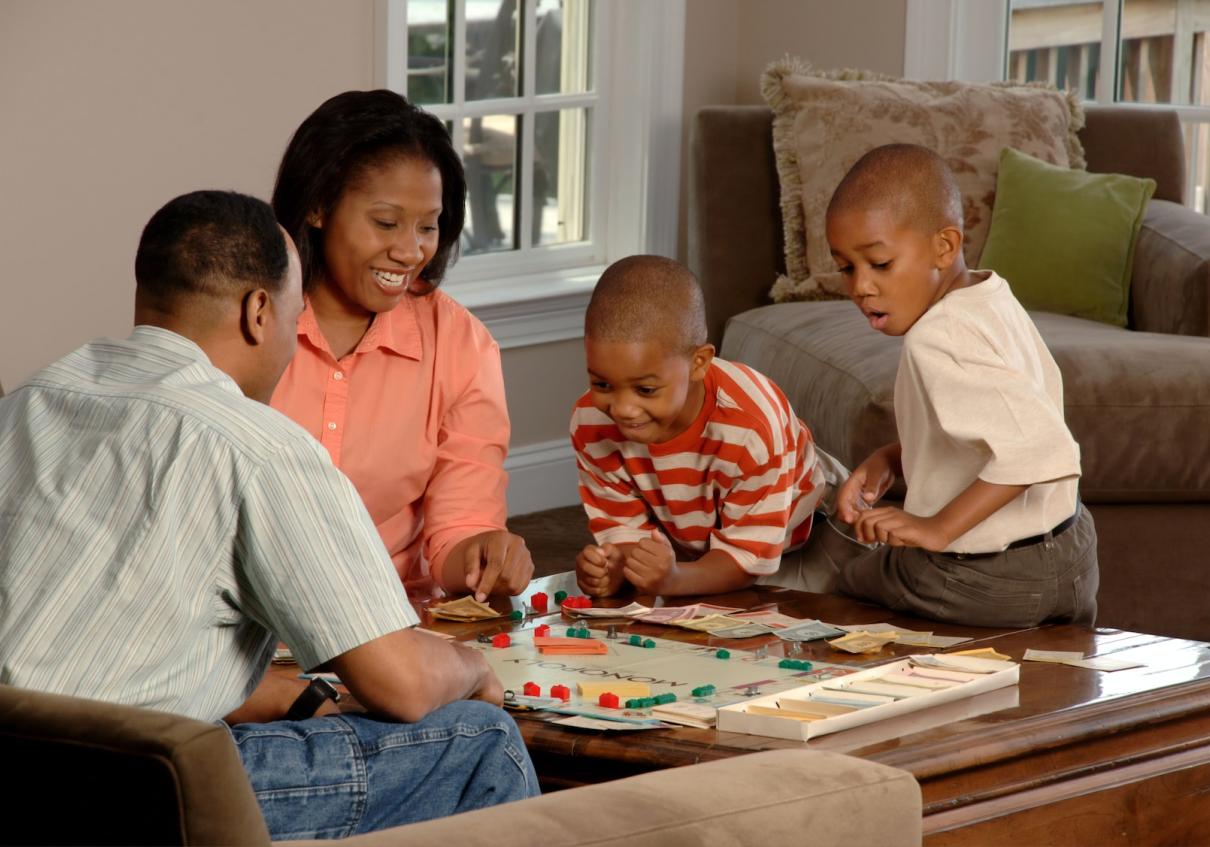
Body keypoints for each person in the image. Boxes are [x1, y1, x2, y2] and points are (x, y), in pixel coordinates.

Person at [0, 191, 538, 840]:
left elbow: (116, 651)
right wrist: (474, 666)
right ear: (259, 311)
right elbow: (399, 683)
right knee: (480, 738)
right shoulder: (258, 444)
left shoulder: (30, 403)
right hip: (132, 795)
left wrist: (299, 696)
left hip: (17, 776)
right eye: (293, 315)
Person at [270, 89, 533, 603]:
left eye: (428, 226)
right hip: (254, 624)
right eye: (386, 223)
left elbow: (459, 525)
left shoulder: (460, 343)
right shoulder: (249, 320)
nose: (410, 251)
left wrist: (483, 555)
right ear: (319, 206)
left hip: (391, 617)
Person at [827, 143, 1099, 628]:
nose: (860, 287)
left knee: (847, 582)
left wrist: (935, 529)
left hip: (987, 576)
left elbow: (1041, 450)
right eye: (847, 268)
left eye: (880, 264)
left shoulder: (936, 336)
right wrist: (894, 457)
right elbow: (1007, 423)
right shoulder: (990, 295)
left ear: (944, 246)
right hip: (1072, 553)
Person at [570, 255, 847, 597]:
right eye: (602, 385)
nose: (623, 409)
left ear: (698, 362)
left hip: (812, 529)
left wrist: (674, 580)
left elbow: (744, 559)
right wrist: (618, 568)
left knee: (811, 616)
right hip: (702, 540)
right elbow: (628, 537)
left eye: (645, 390)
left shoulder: (751, 427)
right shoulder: (591, 423)